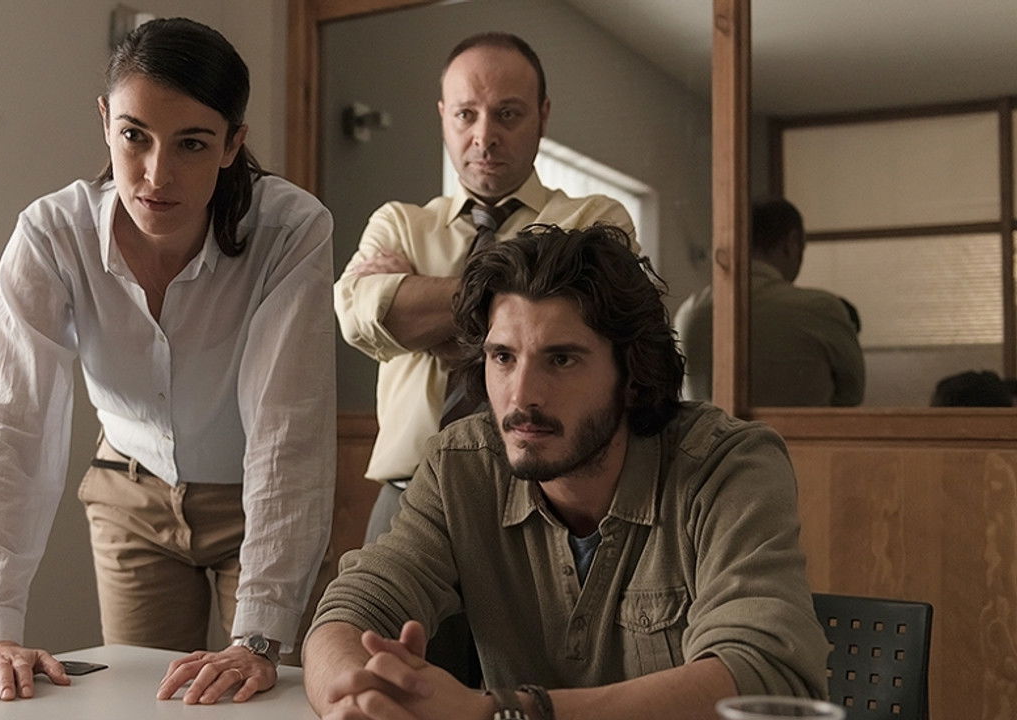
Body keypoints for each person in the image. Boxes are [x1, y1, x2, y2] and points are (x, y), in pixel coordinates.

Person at [0, 18, 335, 705]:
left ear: (232, 143)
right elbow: (9, 422)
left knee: (267, 698)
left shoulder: (290, 230)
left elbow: (289, 425)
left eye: (192, 143)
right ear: (106, 122)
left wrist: (258, 637)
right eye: (135, 136)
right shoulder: (52, 235)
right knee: (143, 705)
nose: (158, 174)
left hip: (258, 500)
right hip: (129, 500)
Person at [306, 224, 827, 720]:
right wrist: (360, 696)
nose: (522, 396)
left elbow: (763, 678)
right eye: (503, 357)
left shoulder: (728, 466)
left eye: (561, 360)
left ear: (632, 374)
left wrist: (505, 711)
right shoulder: (460, 465)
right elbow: (350, 610)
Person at [333, 31, 636, 682]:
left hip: (546, 505)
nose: (484, 136)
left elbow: (591, 321)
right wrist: (515, 303)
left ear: (543, 116)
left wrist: (422, 304)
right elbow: (357, 311)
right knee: (390, 681)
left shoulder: (597, 216)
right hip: (409, 498)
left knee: (530, 692)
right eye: (467, 114)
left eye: (508, 114)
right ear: (443, 115)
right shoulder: (399, 223)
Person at [674, 197, 864, 407]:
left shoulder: (690, 312)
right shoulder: (822, 309)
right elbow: (851, 397)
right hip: (805, 430)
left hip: (710, 430)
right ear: (791, 243)